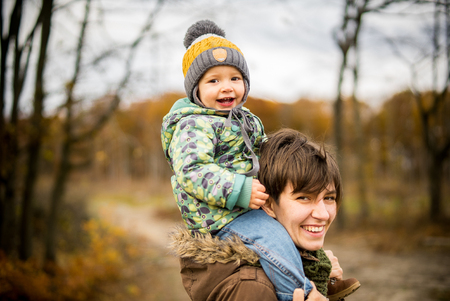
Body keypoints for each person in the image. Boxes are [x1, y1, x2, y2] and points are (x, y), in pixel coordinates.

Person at [161, 20, 358, 300]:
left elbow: (267, 154)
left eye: (235, 78)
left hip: (245, 207)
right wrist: (239, 189)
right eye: (213, 80)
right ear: (195, 90)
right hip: (219, 215)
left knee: (287, 238)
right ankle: (301, 293)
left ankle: (321, 281)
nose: (226, 87)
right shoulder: (193, 126)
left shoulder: (246, 119)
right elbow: (192, 171)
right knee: (272, 240)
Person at [169, 128, 360, 301]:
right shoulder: (251, 288)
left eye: (329, 198)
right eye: (304, 198)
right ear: (268, 204)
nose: (323, 214)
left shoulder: (311, 267)